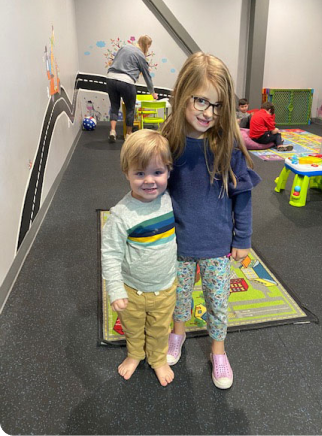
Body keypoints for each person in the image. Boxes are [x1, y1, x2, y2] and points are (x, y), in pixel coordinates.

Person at [161, 52, 261, 390]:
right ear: (182, 93)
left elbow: (242, 196)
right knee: (179, 298)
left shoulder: (227, 143)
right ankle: (177, 335)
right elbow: (155, 187)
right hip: (178, 243)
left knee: (218, 302)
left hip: (217, 245)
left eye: (217, 105)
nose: (208, 112)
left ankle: (218, 351)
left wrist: (242, 239)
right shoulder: (169, 140)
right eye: (201, 100)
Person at [101, 130, 177, 386]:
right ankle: (135, 353)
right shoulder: (121, 215)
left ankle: (157, 358)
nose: (149, 181)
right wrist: (115, 289)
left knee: (160, 329)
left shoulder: (170, 200)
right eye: (139, 173)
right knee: (133, 328)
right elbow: (110, 254)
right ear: (126, 173)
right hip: (132, 290)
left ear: (168, 171)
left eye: (157, 172)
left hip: (165, 287)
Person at [106, 35, 158, 143]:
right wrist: (152, 92)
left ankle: (112, 131)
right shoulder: (141, 55)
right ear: (147, 45)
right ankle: (128, 134)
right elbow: (147, 75)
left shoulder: (124, 47)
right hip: (126, 81)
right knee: (130, 108)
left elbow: (115, 61)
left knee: (114, 106)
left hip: (111, 78)